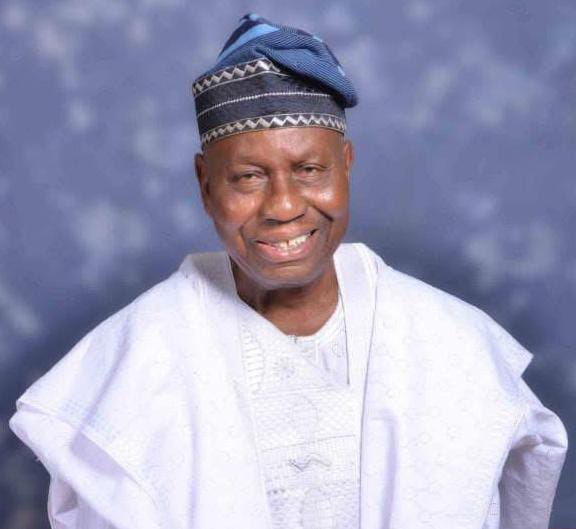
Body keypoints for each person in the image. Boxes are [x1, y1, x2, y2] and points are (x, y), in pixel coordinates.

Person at [9, 13, 567, 529]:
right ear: (205, 184)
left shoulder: (455, 349)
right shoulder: (135, 366)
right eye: (248, 177)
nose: (283, 206)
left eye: (309, 169)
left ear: (346, 165)